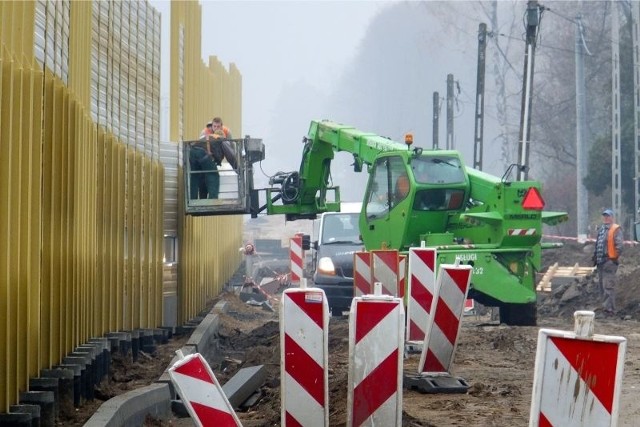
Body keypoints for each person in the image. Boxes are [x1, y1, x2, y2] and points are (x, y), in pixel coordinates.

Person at [593, 208, 623, 314]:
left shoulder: (615, 230)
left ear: (612, 217)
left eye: (608, 216)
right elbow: (598, 245)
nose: (606, 218)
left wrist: (612, 259)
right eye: (604, 216)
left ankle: (609, 309)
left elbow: (619, 246)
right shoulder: (602, 230)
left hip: (609, 262)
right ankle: (606, 307)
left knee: (608, 286)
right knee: (602, 286)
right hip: (600, 262)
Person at [188, 121, 218, 199]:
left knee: (195, 176)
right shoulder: (216, 136)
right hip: (202, 153)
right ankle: (213, 199)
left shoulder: (203, 133)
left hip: (192, 152)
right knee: (213, 174)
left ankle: (193, 199)